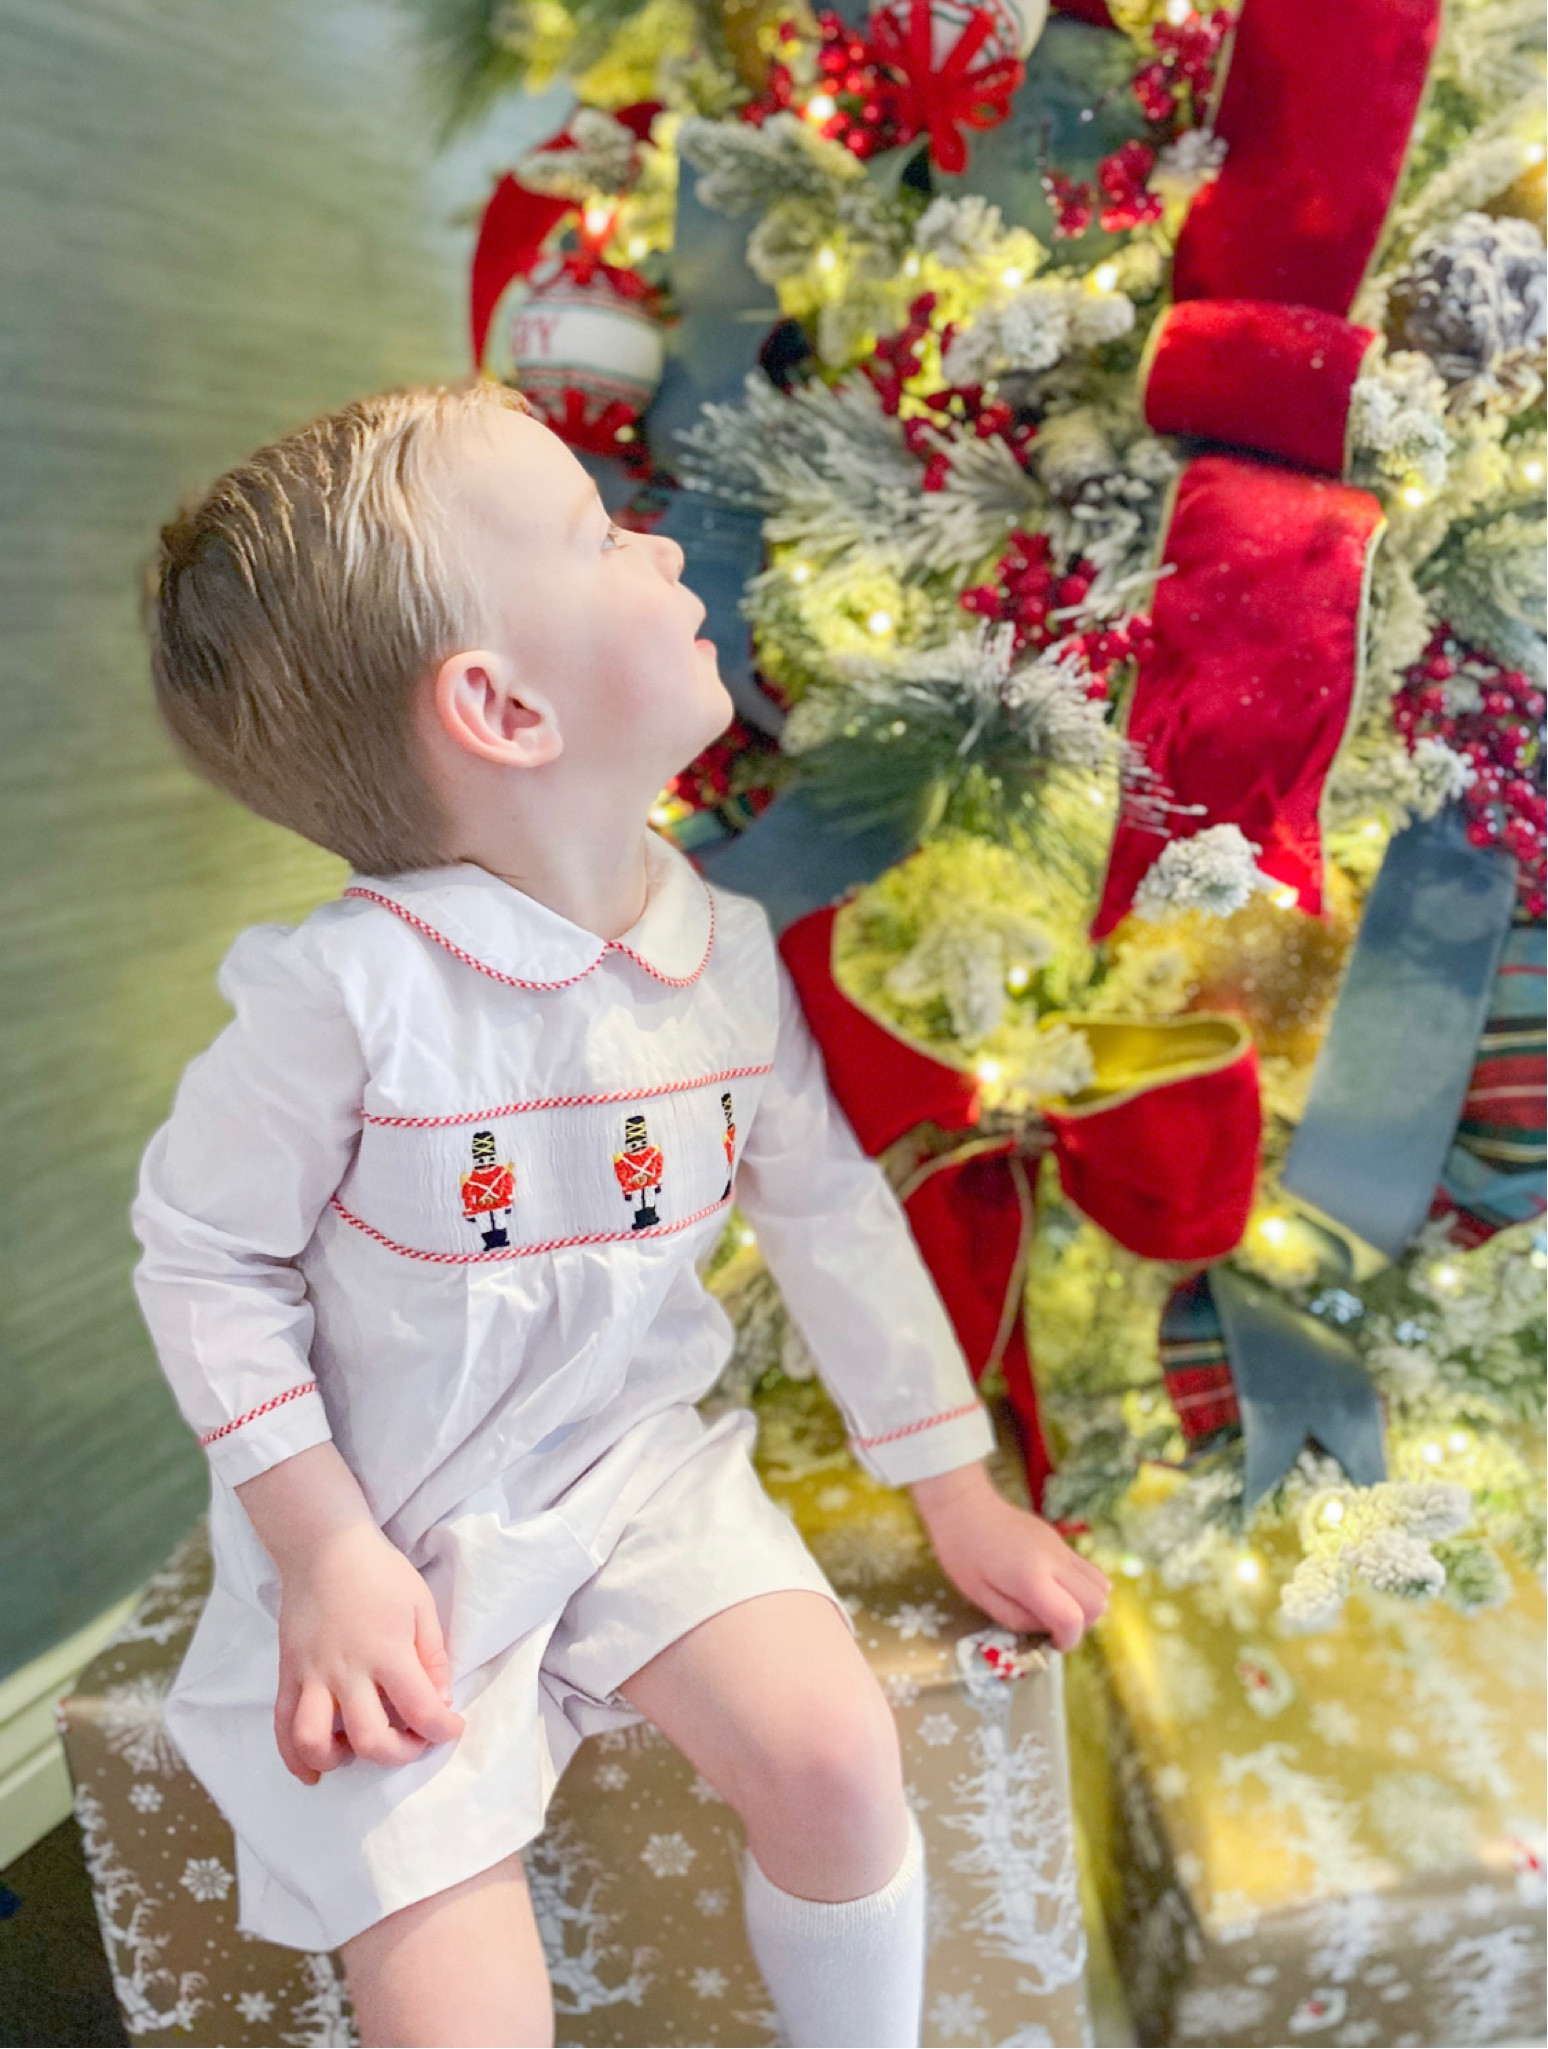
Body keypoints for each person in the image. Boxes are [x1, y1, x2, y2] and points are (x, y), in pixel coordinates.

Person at [131, 381, 1111, 2049]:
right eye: (599, 535)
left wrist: (956, 1494)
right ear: (503, 707)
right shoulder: (350, 996)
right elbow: (205, 1257)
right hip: (398, 1522)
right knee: (452, 1992)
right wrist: (324, 1551)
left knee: (834, 1750)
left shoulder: (716, 952)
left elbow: (826, 1211)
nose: (658, 547)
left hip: (634, 1469)